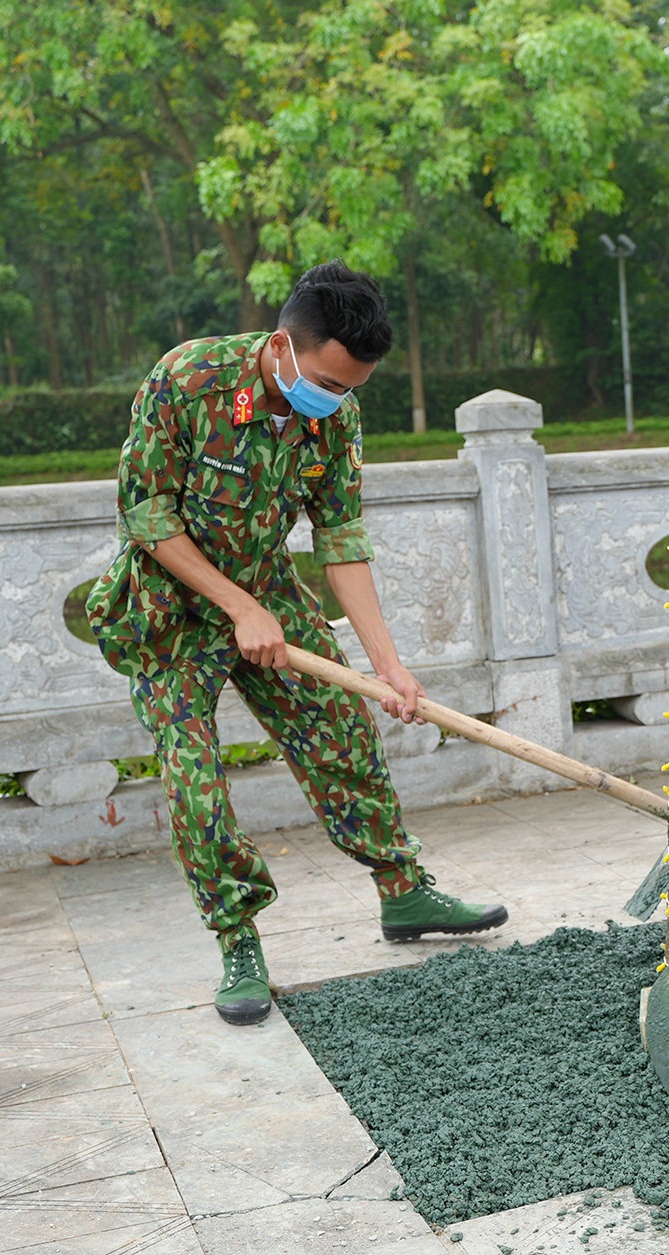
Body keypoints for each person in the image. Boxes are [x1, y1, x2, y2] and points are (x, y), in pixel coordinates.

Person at [86, 261, 507, 1026]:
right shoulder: (189, 380)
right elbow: (145, 515)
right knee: (195, 781)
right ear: (282, 346)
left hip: (270, 591)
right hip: (169, 607)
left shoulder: (333, 416)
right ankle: (237, 938)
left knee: (342, 729)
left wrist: (387, 663)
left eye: (350, 388)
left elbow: (340, 539)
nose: (335, 399)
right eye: (325, 380)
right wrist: (238, 606)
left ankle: (402, 890)